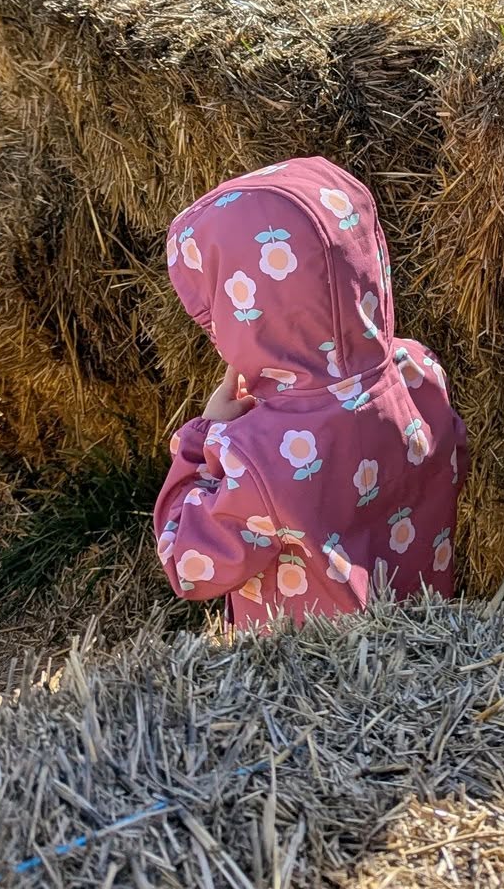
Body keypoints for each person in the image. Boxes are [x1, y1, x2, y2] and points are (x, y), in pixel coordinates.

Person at [153, 157, 466, 633]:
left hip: (319, 670)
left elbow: (187, 565)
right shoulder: (418, 372)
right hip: (422, 640)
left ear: (243, 312)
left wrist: (203, 439)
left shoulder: (259, 455)